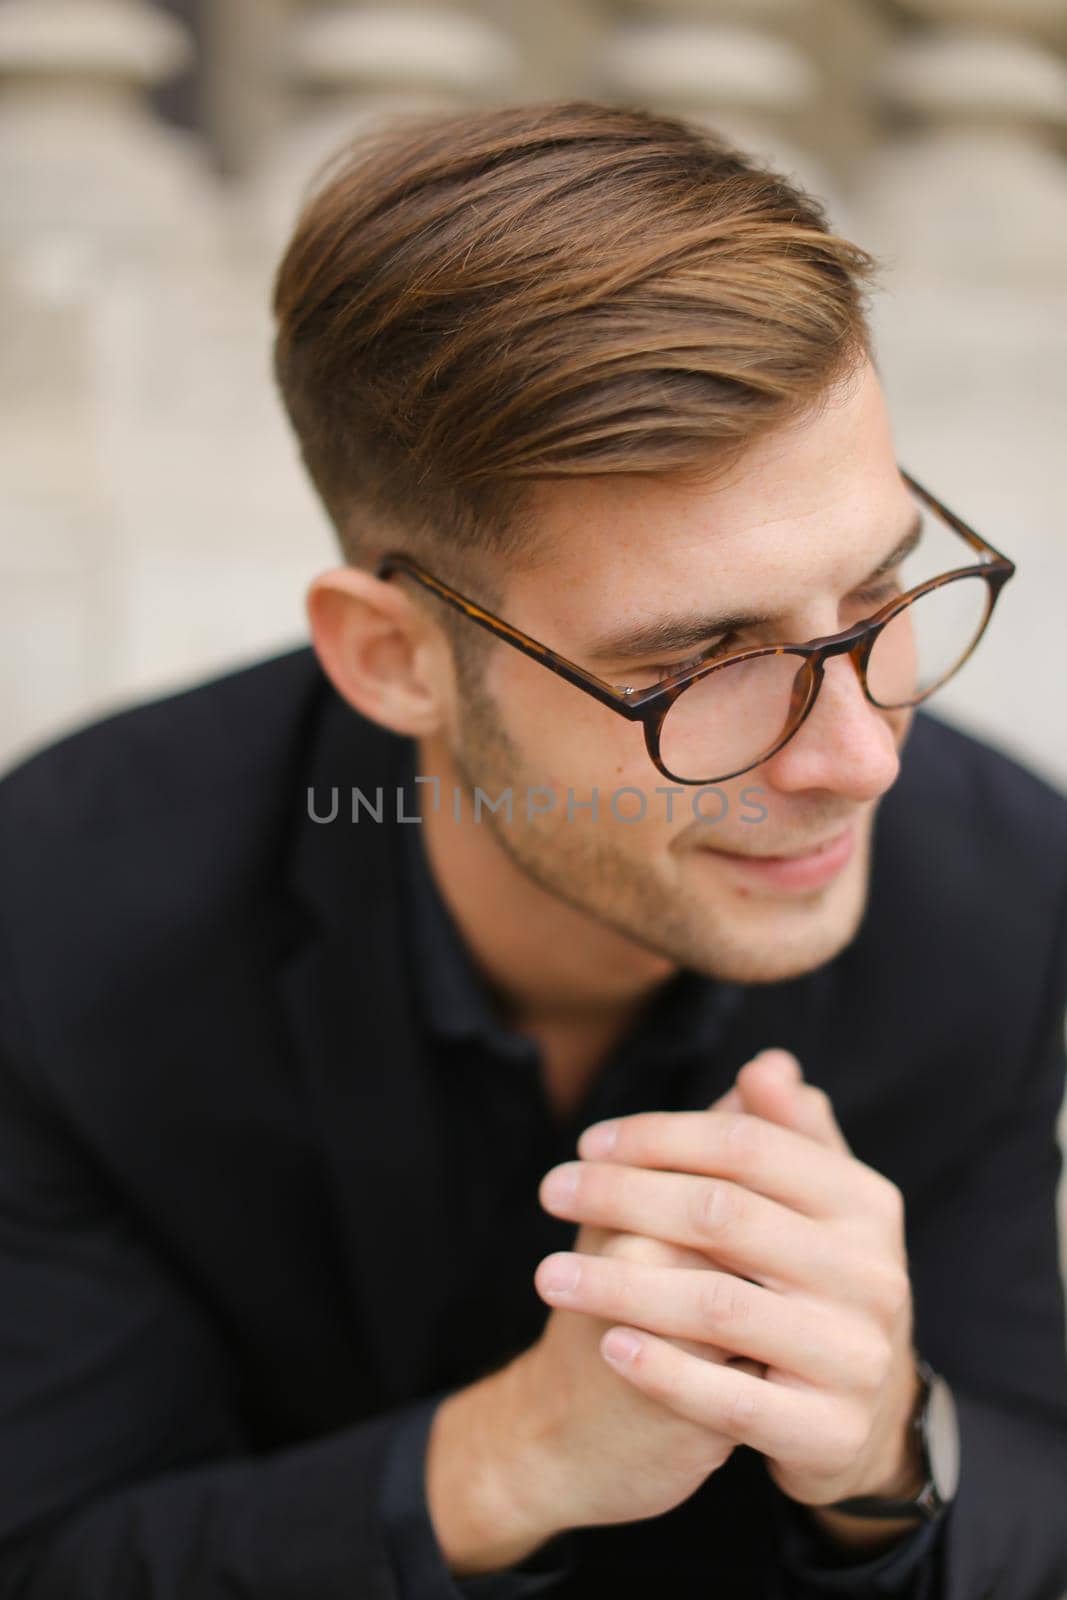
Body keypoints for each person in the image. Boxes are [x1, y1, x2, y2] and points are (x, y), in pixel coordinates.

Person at [0, 100, 1065, 1600]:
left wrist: (891, 1450)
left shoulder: (1001, 890)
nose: (861, 759)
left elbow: (1037, 1491)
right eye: (699, 665)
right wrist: (508, 1459)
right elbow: (51, 1555)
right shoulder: (58, 921)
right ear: (392, 660)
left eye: (878, 592)